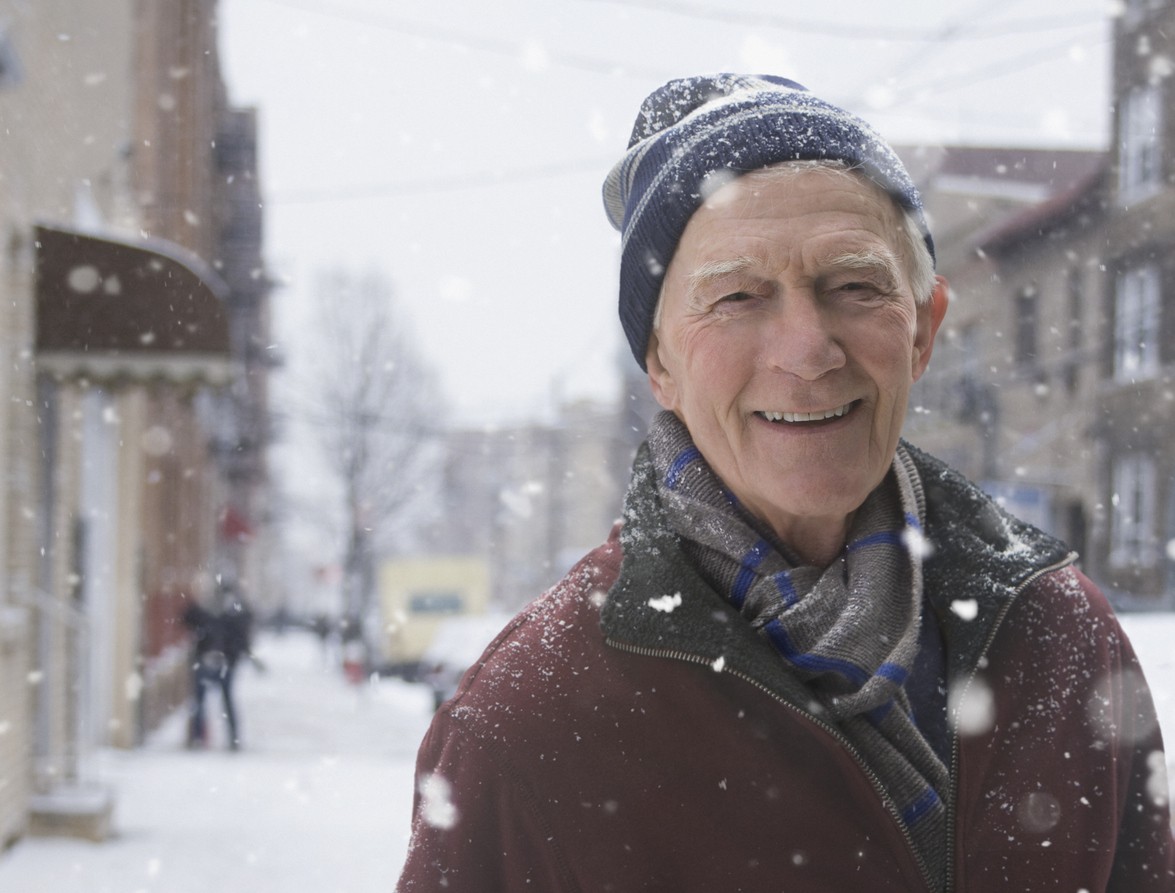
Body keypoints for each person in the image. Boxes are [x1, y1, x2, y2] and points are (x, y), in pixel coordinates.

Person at [396, 75, 1175, 891]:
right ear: (658, 361)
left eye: (854, 285)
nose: (807, 349)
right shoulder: (534, 720)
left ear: (922, 329)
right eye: (736, 296)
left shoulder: (1056, 633)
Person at [182, 592, 255, 750]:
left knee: (205, 702)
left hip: (215, 662)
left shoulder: (213, 615)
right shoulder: (228, 616)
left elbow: (188, 619)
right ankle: (225, 737)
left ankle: (200, 737)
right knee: (218, 702)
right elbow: (242, 639)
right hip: (217, 662)